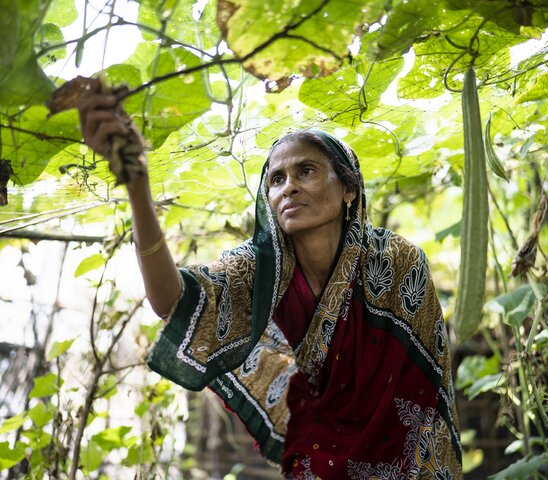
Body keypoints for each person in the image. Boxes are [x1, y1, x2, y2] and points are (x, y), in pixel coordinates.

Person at [79, 92, 462, 478]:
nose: (288, 187)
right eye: (277, 179)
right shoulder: (259, 268)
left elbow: (425, 389)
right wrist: (137, 188)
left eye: (307, 171)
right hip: (315, 462)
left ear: (348, 189)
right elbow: (175, 302)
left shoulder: (397, 261)